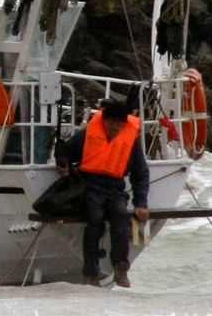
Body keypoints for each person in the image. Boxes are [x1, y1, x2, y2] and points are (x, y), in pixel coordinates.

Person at [53, 95, 150, 287]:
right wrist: (62, 162)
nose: (115, 127)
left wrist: (141, 203)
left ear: (124, 124)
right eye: (111, 122)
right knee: (95, 220)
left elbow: (141, 173)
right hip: (90, 186)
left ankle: (120, 268)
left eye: (119, 123)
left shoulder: (131, 141)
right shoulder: (88, 134)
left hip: (115, 188)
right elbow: (65, 150)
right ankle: (90, 273)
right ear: (104, 120)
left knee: (120, 216)